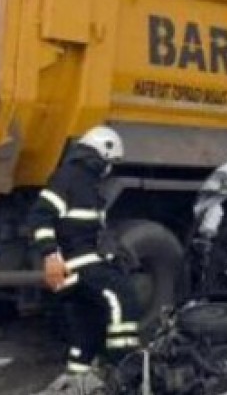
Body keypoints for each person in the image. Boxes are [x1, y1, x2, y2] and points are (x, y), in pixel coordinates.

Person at [26, 126, 142, 374]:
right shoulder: (68, 179)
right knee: (123, 298)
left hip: (81, 266)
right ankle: (125, 367)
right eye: (109, 162)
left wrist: (113, 253)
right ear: (100, 155)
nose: (109, 168)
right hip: (75, 266)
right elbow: (39, 217)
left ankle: (76, 380)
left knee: (88, 325)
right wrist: (51, 256)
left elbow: (91, 231)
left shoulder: (88, 185)